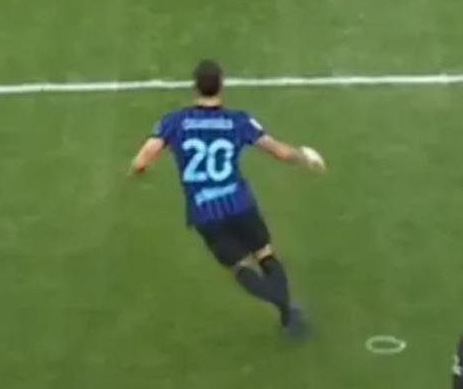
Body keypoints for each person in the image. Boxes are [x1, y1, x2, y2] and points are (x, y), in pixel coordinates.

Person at [129, 59, 327, 335]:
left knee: (240, 267)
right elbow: (279, 151)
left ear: (195, 87)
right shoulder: (238, 120)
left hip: (205, 212)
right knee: (265, 254)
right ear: (221, 85)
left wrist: (137, 170)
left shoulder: (175, 121)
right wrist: (303, 156)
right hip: (240, 203)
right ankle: (288, 316)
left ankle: (282, 306)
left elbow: (143, 158)